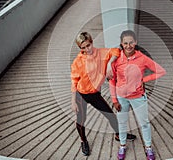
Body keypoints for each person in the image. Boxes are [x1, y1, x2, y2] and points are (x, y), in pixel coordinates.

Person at [70, 32, 136, 156]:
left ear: (92, 42)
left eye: (88, 45)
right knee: (81, 120)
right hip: (81, 95)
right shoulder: (78, 61)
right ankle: (83, 140)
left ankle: (118, 135)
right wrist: (73, 101)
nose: (86, 49)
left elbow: (116, 51)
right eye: (83, 48)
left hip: (95, 94)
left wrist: (110, 64)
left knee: (110, 115)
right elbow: (74, 81)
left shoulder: (101, 53)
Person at [109, 30, 166, 160]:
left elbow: (161, 71)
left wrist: (143, 80)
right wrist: (114, 100)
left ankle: (148, 147)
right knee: (122, 123)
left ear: (135, 42)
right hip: (121, 97)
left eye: (131, 42)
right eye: (125, 43)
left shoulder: (142, 58)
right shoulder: (117, 59)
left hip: (138, 97)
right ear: (121, 44)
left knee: (144, 123)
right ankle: (122, 145)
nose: (128, 46)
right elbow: (112, 80)